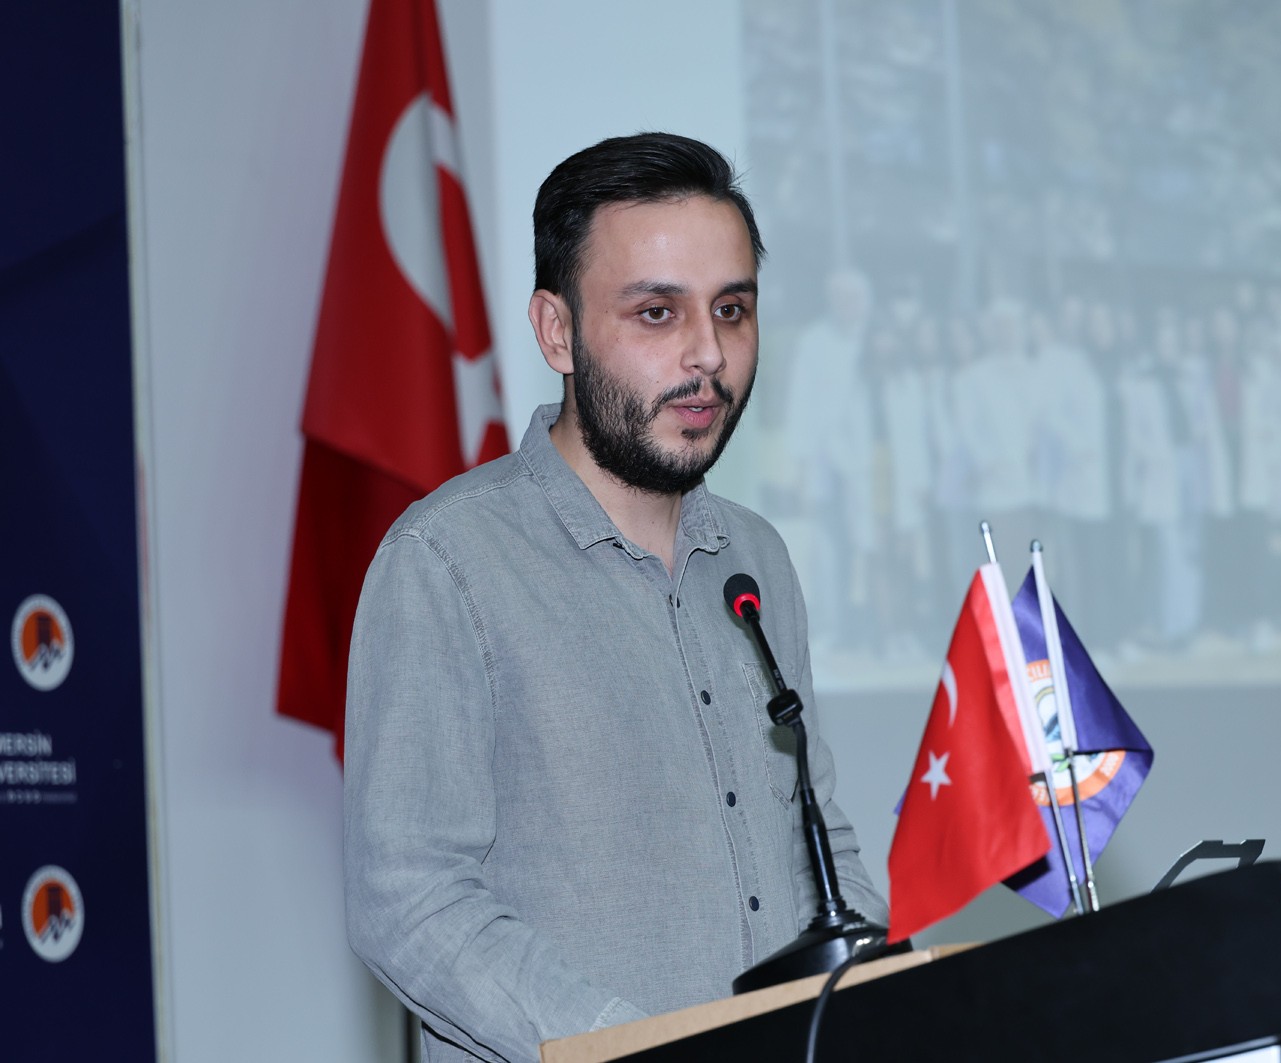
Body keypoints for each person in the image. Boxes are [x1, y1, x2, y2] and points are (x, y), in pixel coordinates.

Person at [342, 134, 887, 1063]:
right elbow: (410, 895)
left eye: (731, 309)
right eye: (657, 313)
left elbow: (815, 834)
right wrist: (637, 1050)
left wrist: (866, 996)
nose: (707, 353)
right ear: (556, 330)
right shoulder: (447, 560)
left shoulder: (756, 556)